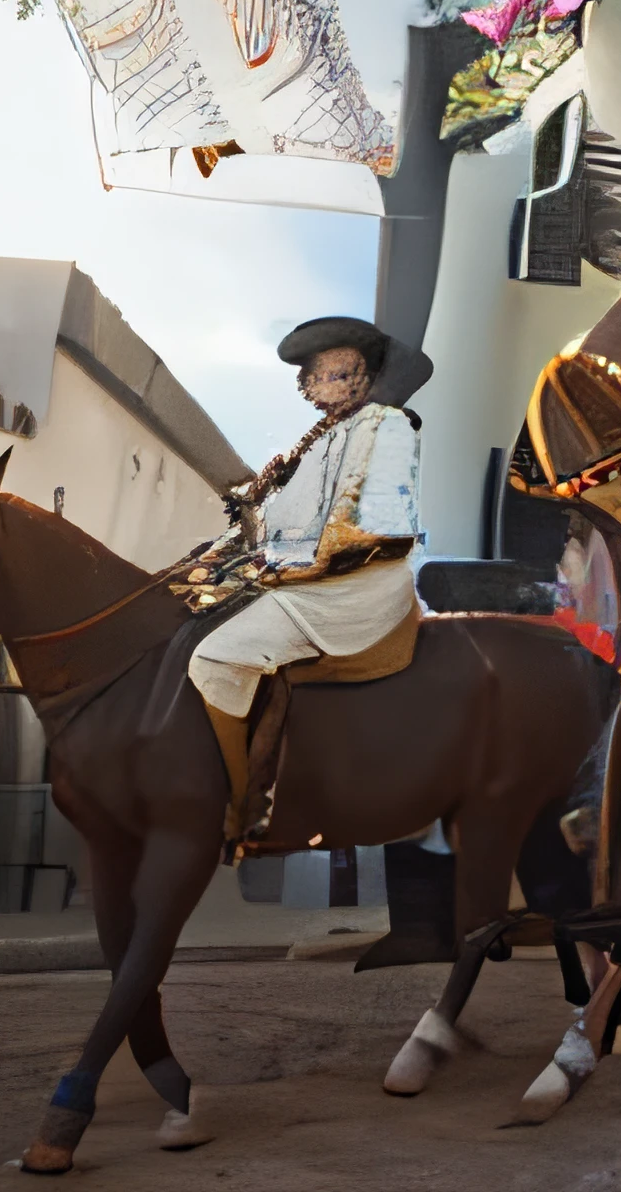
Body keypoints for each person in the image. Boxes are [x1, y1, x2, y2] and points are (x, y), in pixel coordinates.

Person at [186, 317, 430, 852]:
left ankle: (241, 802)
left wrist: (279, 571)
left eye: (323, 367)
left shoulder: (388, 426)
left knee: (214, 657)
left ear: (359, 372)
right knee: (187, 612)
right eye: (309, 372)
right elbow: (268, 525)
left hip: (354, 588)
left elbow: (367, 529)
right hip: (298, 580)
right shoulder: (317, 443)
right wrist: (213, 558)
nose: (310, 379)